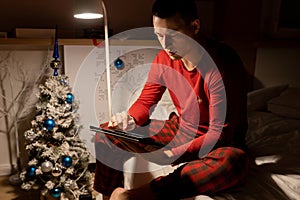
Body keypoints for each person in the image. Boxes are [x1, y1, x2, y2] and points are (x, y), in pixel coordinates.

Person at [94, 0, 250, 199]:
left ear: (195, 27)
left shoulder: (222, 62)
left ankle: (136, 196)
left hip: (220, 142)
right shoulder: (164, 58)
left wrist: (173, 154)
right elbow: (145, 103)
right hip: (182, 129)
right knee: (107, 133)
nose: (166, 44)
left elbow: (219, 134)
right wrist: (130, 119)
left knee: (234, 162)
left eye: (173, 35)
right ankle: (110, 196)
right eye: (159, 36)